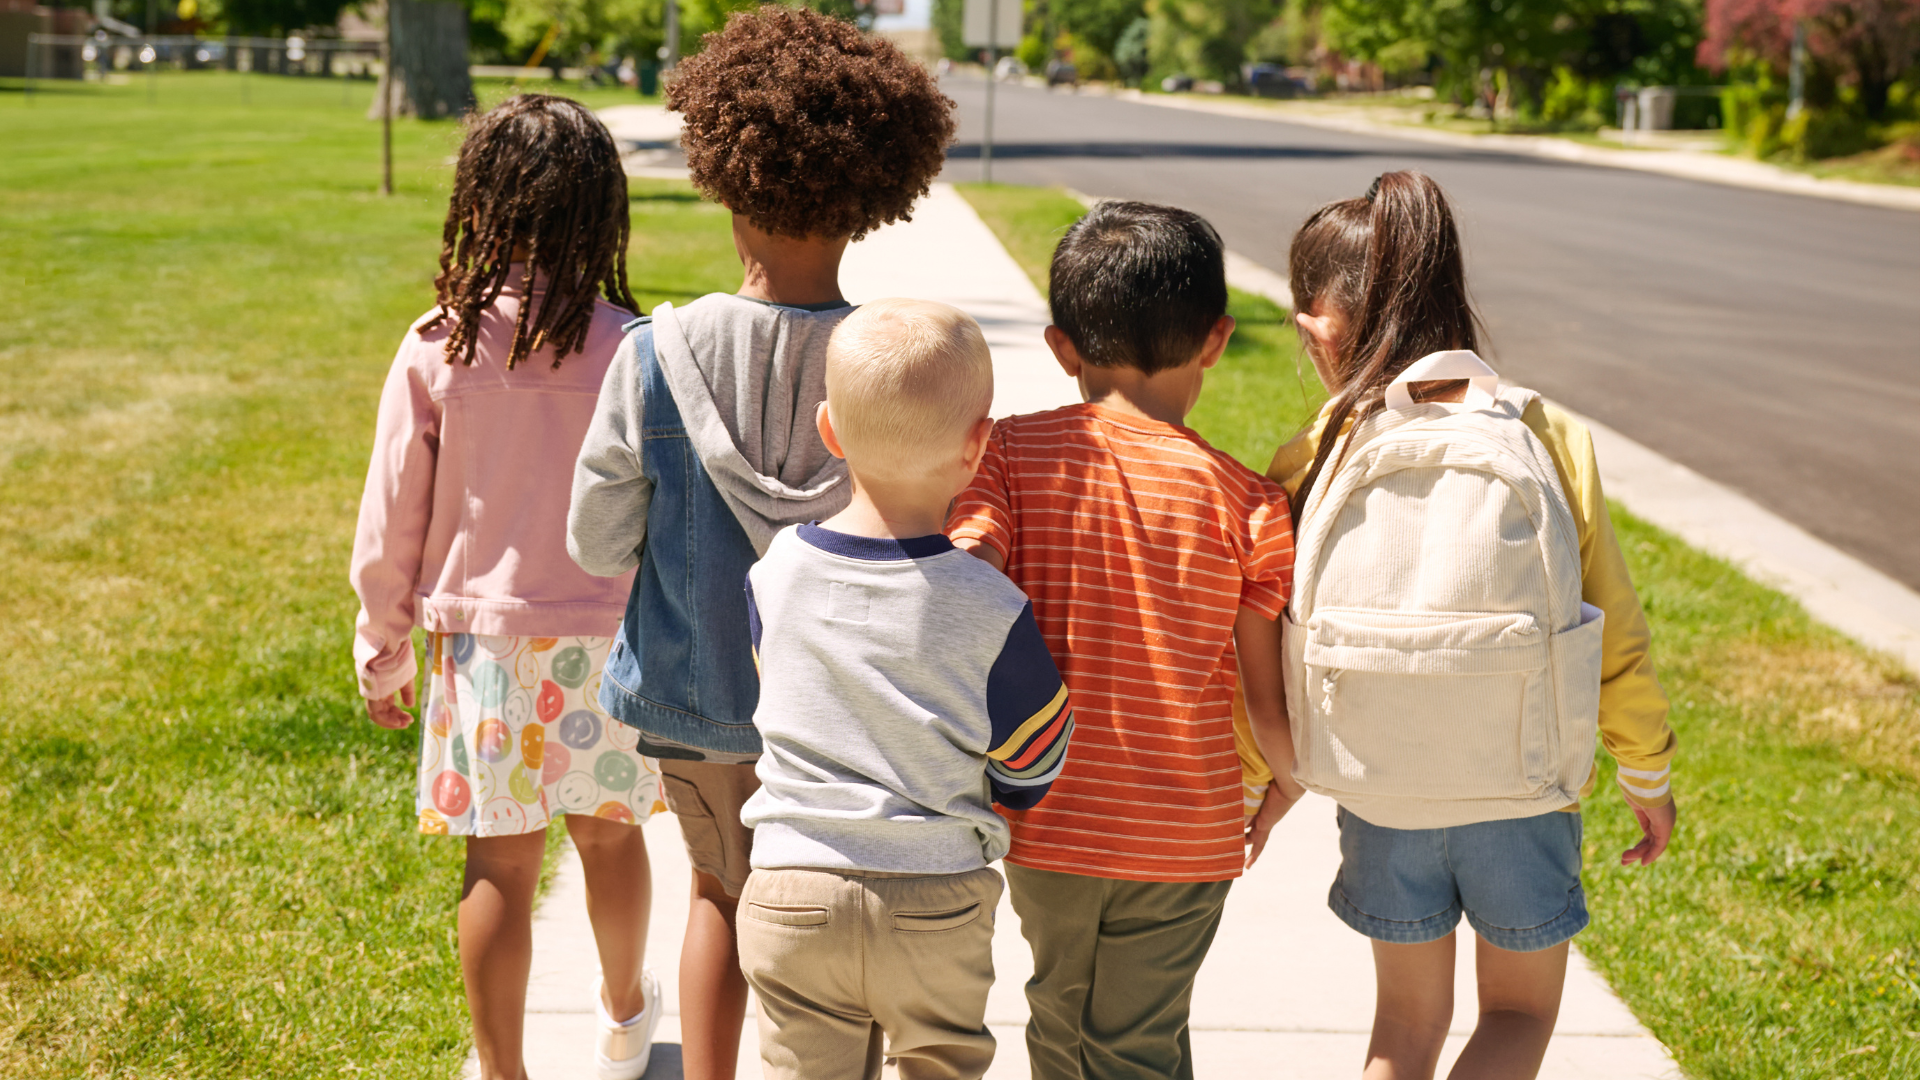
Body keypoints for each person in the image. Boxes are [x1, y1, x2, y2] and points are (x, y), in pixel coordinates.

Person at [565, 10, 956, 1079]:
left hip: (700, 708)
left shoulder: (655, 353)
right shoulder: (894, 363)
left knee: (718, 898)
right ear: (874, 198)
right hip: (855, 720)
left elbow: (599, 543)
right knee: (844, 916)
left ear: (725, 183)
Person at [1270, 170, 1679, 1080]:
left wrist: (1260, 779)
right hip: (1523, 788)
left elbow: (1271, 636)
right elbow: (1612, 635)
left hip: (1381, 789)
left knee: (1403, 1030)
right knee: (1519, 1013)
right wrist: (1645, 773)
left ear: (1316, 329)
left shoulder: (1314, 453)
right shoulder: (1544, 434)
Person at [946, 201, 1304, 1080]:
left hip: (1043, 819)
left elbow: (958, 576)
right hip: (1186, 833)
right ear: (1216, 341)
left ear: (1062, 347)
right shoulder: (1251, 502)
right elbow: (1263, 694)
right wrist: (1288, 783)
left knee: (1060, 1013)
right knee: (1139, 1038)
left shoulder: (1008, 456)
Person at [349, 95, 663, 1080]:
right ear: (602, 212)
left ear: (480, 203)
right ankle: (622, 1014)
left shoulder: (440, 343)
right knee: (611, 843)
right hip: (612, 642)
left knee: (499, 864)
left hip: (483, 649)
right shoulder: (634, 346)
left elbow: (393, 511)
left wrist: (382, 643)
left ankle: (503, 1070)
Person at [735, 298, 1074, 1080]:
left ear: (829, 431)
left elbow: (778, 693)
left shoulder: (775, 573)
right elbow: (1035, 756)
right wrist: (1004, 792)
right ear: (977, 447)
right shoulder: (991, 605)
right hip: (933, 900)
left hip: (792, 887)